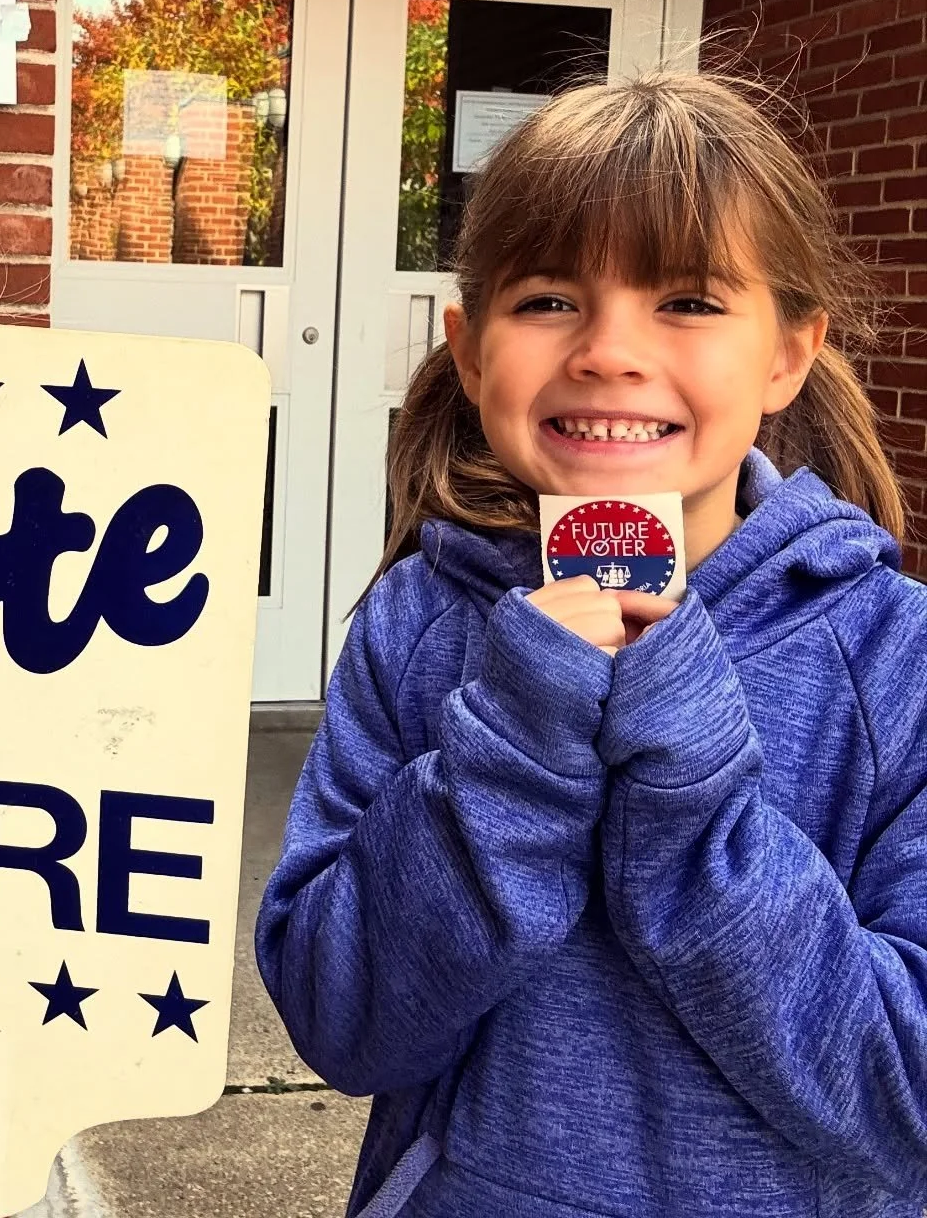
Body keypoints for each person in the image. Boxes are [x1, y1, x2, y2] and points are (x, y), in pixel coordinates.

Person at [256, 69, 927, 1216]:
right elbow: (340, 1017)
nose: (609, 350)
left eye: (690, 302)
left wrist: (693, 790)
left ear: (788, 352)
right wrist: (511, 749)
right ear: (470, 352)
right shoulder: (419, 626)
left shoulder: (890, 654)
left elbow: (905, 1101)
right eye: (551, 299)